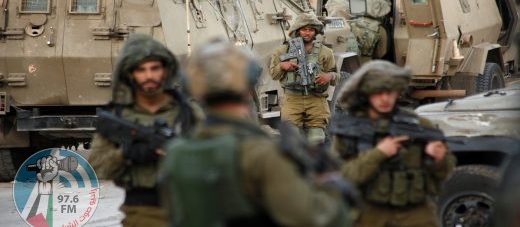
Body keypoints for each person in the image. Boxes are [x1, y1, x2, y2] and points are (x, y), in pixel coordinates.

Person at [159, 40, 351, 227]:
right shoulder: (263, 154)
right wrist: (331, 186)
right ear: (247, 89)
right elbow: (313, 218)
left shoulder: (176, 154)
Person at [88, 34, 197, 227]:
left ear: (165, 71)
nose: (149, 76)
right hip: (144, 210)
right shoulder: (118, 117)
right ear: (130, 74)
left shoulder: (188, 112)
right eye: (141, 70)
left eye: (155, 68)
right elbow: (96, 168)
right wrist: (128, 154)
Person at [331, 60, 456, 227]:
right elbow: (342, 177)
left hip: (415, 212)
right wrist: (379, 153)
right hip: (369, 212)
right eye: (378, 92)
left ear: (398, 93)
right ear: (367, 93)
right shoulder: (351, 129)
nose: (385, 98)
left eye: (390, 92)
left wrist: (439, 158)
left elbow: (445, 173)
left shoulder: (420, 125)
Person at [269, 12, 339, 145]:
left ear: (316, 31)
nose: (307, 33)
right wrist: (282, 66)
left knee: (316, 140)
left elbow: (336, 77)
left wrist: (329, 76)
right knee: (292, 141)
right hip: (292, 99)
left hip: (316, 100)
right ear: (297, 31)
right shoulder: (282, 51)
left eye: (311, 30)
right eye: (304, 30)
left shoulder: (325, 52)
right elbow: (273, 74)